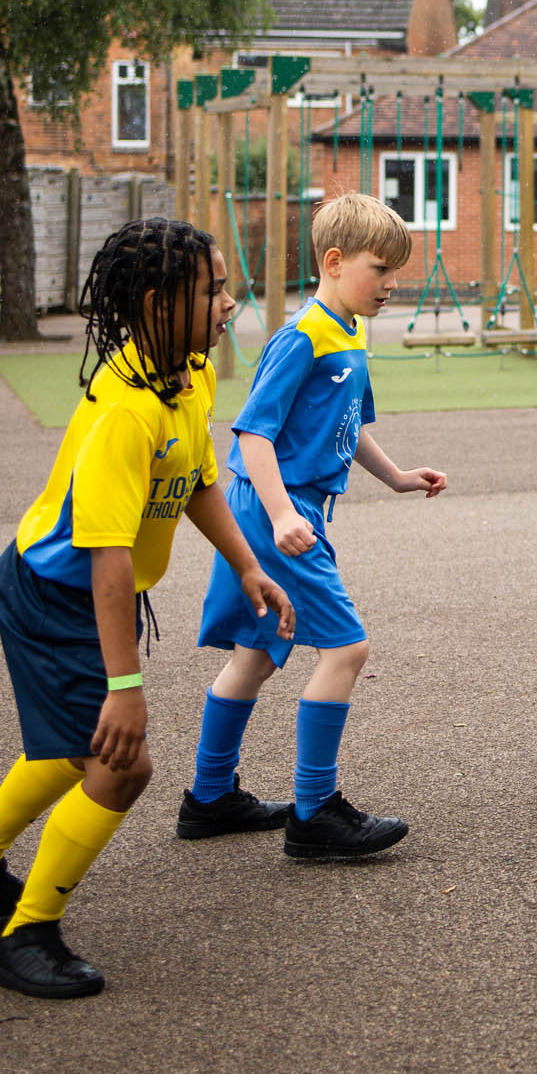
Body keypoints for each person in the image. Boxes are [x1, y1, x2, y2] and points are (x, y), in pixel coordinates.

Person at [0, 219, 296, 999]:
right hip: (54, 595)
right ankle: (26, 933)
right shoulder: (124, 408)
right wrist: (126, 686)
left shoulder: (189, 373)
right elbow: (107, 557)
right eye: (211, 289)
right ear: (157, 303)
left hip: (79, 594)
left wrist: (248, 564)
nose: (229, 302)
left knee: (76, 748)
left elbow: (195, 481)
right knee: (122, 764)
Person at [187, 191, 447, 859]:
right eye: (380, 269)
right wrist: (279, 515)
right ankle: (315, 812)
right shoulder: (302, 337)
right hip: (274, 508)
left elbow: (346, 426)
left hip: (277, 508)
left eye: (396, 272)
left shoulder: (350, 330)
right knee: (347, 648)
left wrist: (394, 476)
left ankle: (209, 797)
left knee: (256, 652)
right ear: (334, 262)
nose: (391, 284)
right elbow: (251, 434)